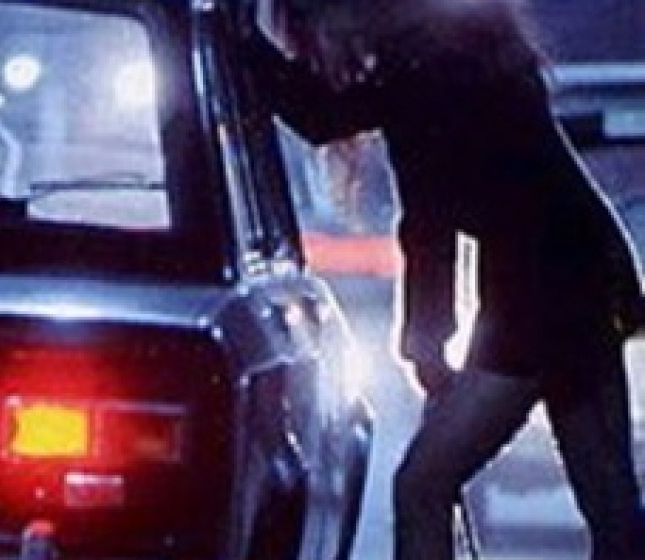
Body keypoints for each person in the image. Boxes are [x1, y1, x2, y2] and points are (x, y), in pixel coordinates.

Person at [242, 0, 645, 558]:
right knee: (611, 503)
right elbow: (328, 118)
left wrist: (426, 344)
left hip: (540, 291)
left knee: (422, 487)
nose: (320, 47)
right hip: (582, 270)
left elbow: (424, 221)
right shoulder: (461, 46)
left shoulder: (421, 73)